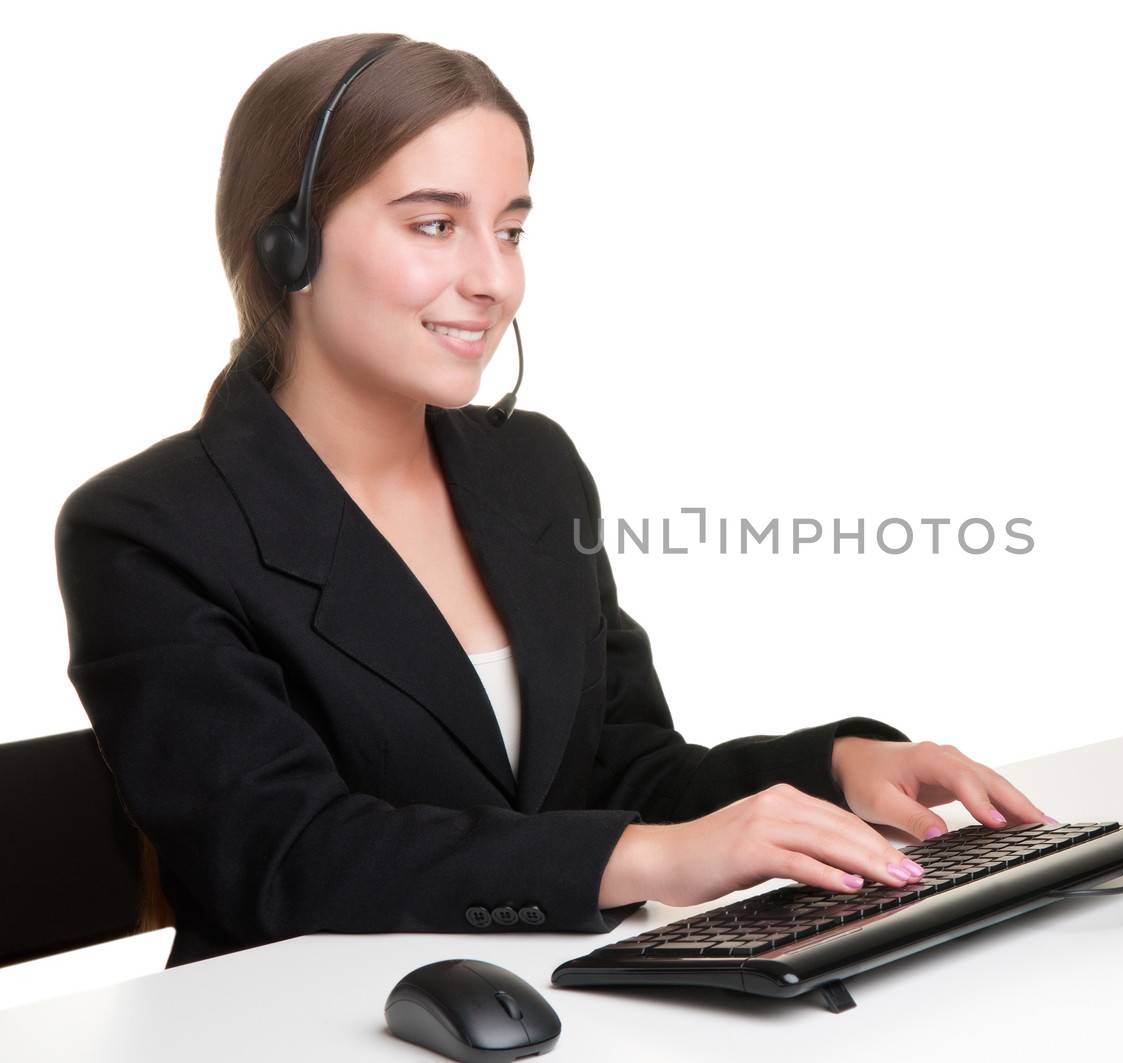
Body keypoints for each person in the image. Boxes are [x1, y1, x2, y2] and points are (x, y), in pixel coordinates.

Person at [53, 32, 1054, 969]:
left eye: (512, 229)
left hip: (550, 1004)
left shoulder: (527, 467)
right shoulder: (150, 528)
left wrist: (834, 766)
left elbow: (625, 776)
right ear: (289, 245)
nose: (494, 279)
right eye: (435, 224)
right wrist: (656, 861)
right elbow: (288, 857)